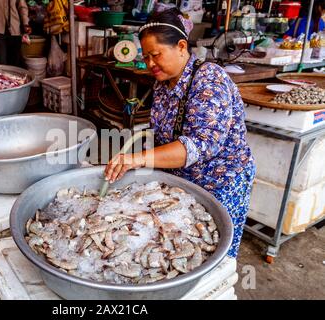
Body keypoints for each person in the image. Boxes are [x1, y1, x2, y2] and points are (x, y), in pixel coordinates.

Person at [104, 8, 256, 258]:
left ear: (182, 46)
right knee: (176, 251)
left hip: (219, 186)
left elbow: (199, 145)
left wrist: (139, 158)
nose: (150, 63)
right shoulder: (163, 82)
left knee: (210, 255)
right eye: (146, 56)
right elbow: (165, 135)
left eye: (156, 54)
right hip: (182, 185)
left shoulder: (209, 79)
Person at [0, 0, 32, 67]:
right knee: (1, 61)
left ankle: (13, 76)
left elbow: (22, 7)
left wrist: (25, 23)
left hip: (14, 28)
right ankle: (2, 75)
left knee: (15, 60)